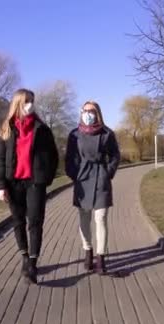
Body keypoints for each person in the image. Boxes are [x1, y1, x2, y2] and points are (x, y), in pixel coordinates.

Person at [0, 88, 59, 284]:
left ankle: (32, 263)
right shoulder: (6, 129)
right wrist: (0, 185)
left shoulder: (42, 129)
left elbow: (54, 157)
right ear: (18, 104)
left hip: (35, 183)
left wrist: (45, 178)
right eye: (26, 101)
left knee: (35, 222)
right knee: (18, 222)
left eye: (32, 100)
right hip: (13, 183)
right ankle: (24, 255)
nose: (30, 104)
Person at [65, 100, 120, 274]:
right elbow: (69, 158)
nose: (88, 114)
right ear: (81, 112)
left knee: (101, 219)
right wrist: (74, 174)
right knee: (84, 219)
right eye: (85, 110)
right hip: (82, 180)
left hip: (101, 179)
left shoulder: (107, 133)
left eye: (92, 111)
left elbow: (115, 155)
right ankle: (87, 250)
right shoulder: (74, 134)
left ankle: (101, 258)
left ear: (97, 113)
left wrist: (108, 172)